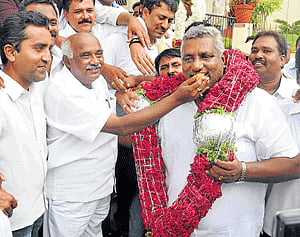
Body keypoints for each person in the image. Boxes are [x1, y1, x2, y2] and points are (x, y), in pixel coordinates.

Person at [135, 25, 300, 236]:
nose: (196, 65)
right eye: (188, 58)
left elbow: (292, 165)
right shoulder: (168, 103)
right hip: (176, 230)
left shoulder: (258, 101)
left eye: (206, 56)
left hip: (234, 230)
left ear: (223, 60)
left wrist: (242, 171)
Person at [43, 32, 206, 237]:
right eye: (86, 55)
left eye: (99, 54)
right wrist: (177, 98)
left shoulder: (95, 79)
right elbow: (120, 127)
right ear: (67, 60)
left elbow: (109, 103)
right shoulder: (63, 90)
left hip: (100, 188)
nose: (95, 62)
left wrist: (120, 95)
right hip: (72, 195)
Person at [0, 11, 52, 236]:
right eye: (38, 48)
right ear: (10, 52)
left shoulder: (37, 86)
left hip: (38, 209)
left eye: (49, 48)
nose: (48, 57)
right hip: (11, 221)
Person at [248, 31, 300, 237]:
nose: (258, 55)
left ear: (284, 59)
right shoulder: (236, 96)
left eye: (266, 51)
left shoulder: (293, 100)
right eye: (254, 50)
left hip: (284, 207)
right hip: (251, 207)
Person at [19, 0, 64, 76]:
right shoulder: (9, 65)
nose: (49, 28)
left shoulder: (66, 58)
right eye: (41, 23)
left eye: (53, 23)